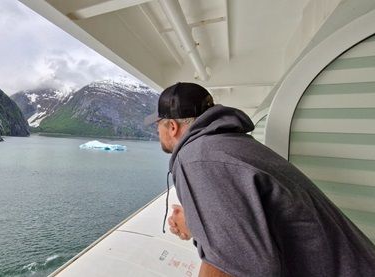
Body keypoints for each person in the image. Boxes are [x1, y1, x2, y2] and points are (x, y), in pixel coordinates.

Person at [145, 82, 375, 276]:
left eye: (158, 126)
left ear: (172, 127)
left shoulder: (197, 158)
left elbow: (234, 266)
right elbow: (258, 224)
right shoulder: (229, 145)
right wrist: (196, 223)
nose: (157, 132)